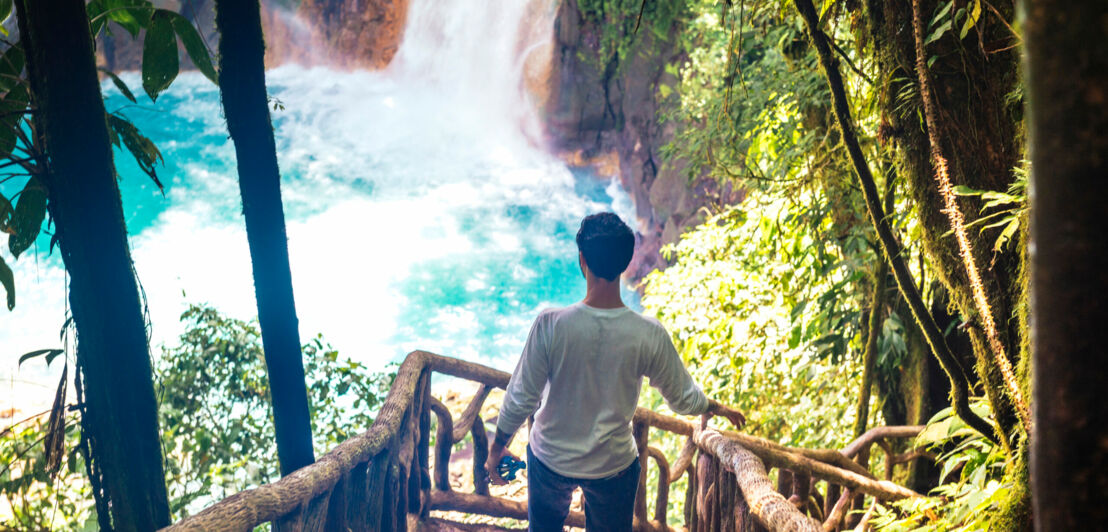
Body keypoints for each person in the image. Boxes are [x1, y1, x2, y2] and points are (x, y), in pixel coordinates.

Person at [485, 212, 746, 531]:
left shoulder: (551, 325)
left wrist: (497, 448)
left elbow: (520, 397)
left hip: (550, 459)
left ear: (582, 260)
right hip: (612, 465)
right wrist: (713, 407)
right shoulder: (647, 333)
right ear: (625, 264)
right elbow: (681, 398)